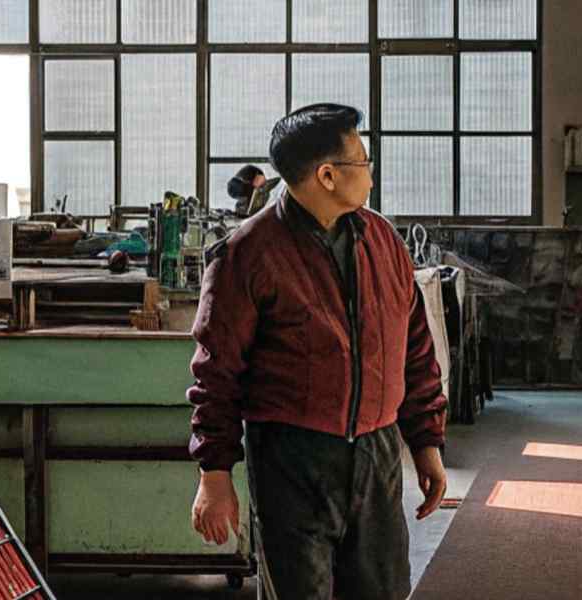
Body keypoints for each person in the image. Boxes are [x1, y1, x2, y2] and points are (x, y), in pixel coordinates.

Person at [187, 103, 448, 600]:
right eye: (363, 161)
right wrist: (214, 474)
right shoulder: (249, 255)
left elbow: (414, 349)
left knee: (383, 591)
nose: (370, 174)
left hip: (376, 454)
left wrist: (425, 442)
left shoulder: (384, 243)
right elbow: (216, 376)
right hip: (293, 461)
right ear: (327, 175)